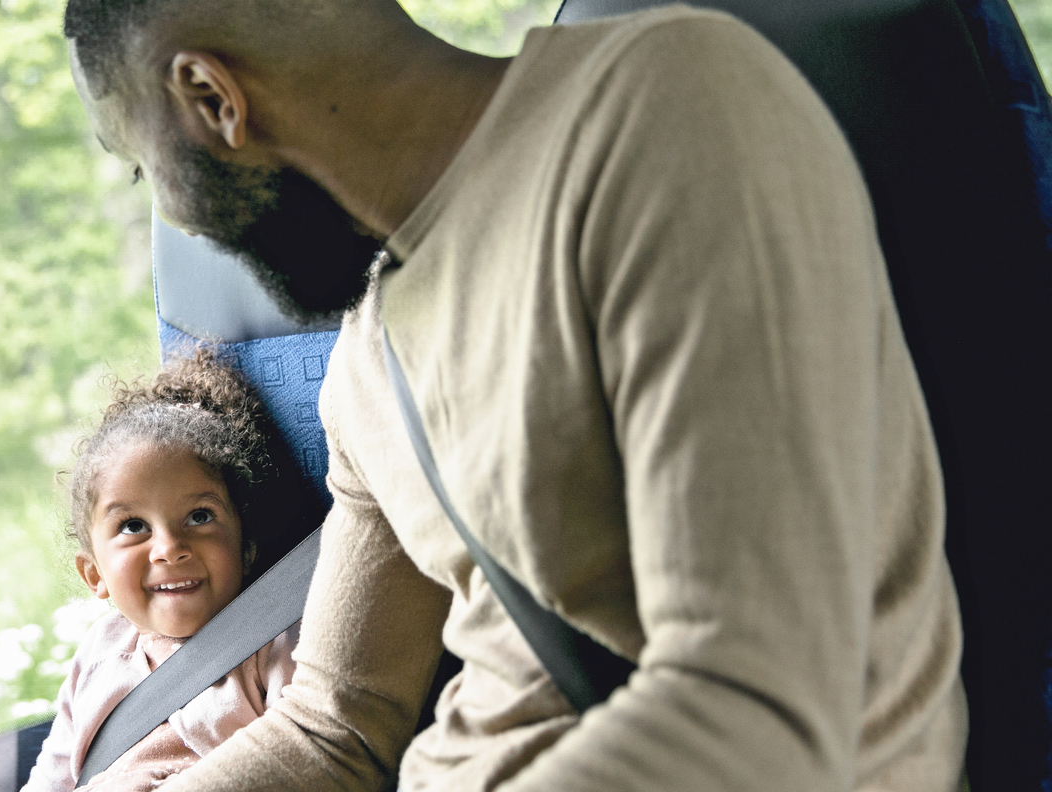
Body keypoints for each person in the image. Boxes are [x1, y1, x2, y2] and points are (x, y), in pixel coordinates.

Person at [61, 1, 967, 790]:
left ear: (215, 99)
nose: (176, 217)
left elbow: (748, 700)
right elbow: (333, 729)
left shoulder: (665, 112)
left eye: (144, 165)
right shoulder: (372, 357)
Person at [22, 351, 307, 792]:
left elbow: (308, 766)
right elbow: (51, 780)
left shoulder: (278, 648)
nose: (170, 549)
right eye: (134, 527)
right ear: (94, 574)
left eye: (199, 517)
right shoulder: (99, 652)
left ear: (246, 547)